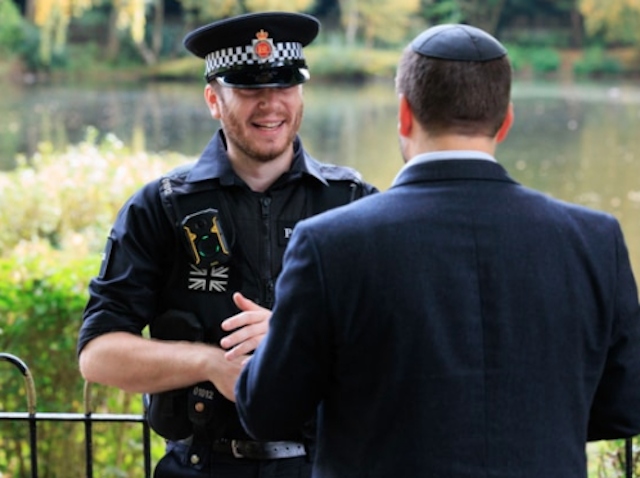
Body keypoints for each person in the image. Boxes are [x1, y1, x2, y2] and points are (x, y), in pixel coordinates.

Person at [235, 23, 640, 477]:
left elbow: (267, 413)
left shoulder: (330, 244)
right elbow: (623, 406)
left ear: (405, 114)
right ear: (505, 120)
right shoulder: (594, 240)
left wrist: (279, 340)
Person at [76, 11, 377, 478]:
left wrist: (291, 338)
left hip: (326, 466)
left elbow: (401, 342)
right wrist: (210, 363)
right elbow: (98, 355)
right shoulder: (160, 207)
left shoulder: (354, 203)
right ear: (213, 100)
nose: (270, 105)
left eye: (283, 86)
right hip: (200, 467)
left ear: (302, 93)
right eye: (250, 90)